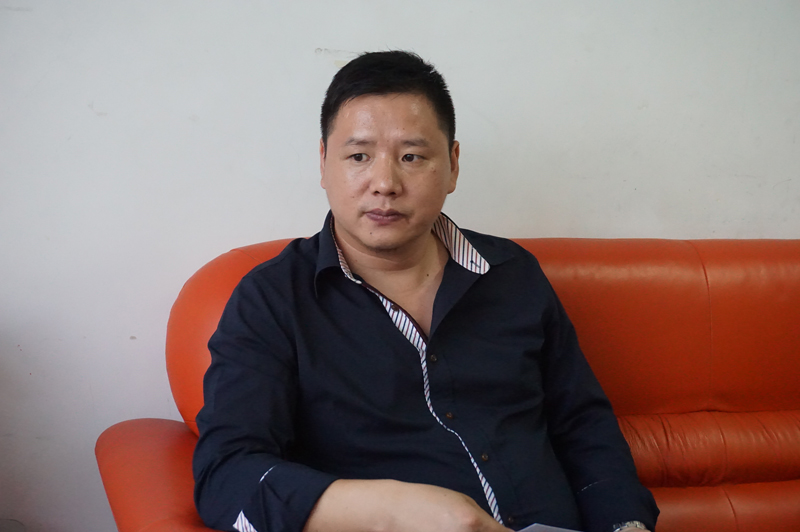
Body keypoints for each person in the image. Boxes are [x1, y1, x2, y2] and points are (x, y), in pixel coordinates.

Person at [193, 51, 659, 532]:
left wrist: (626, 524)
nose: (385, 184)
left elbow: (583, 426)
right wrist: (396, 511)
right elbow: (226, 475)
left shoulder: (513, 274)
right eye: (359, 156)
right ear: (324, 163)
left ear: (453, 165)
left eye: (411, 157)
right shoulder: (272, 300)